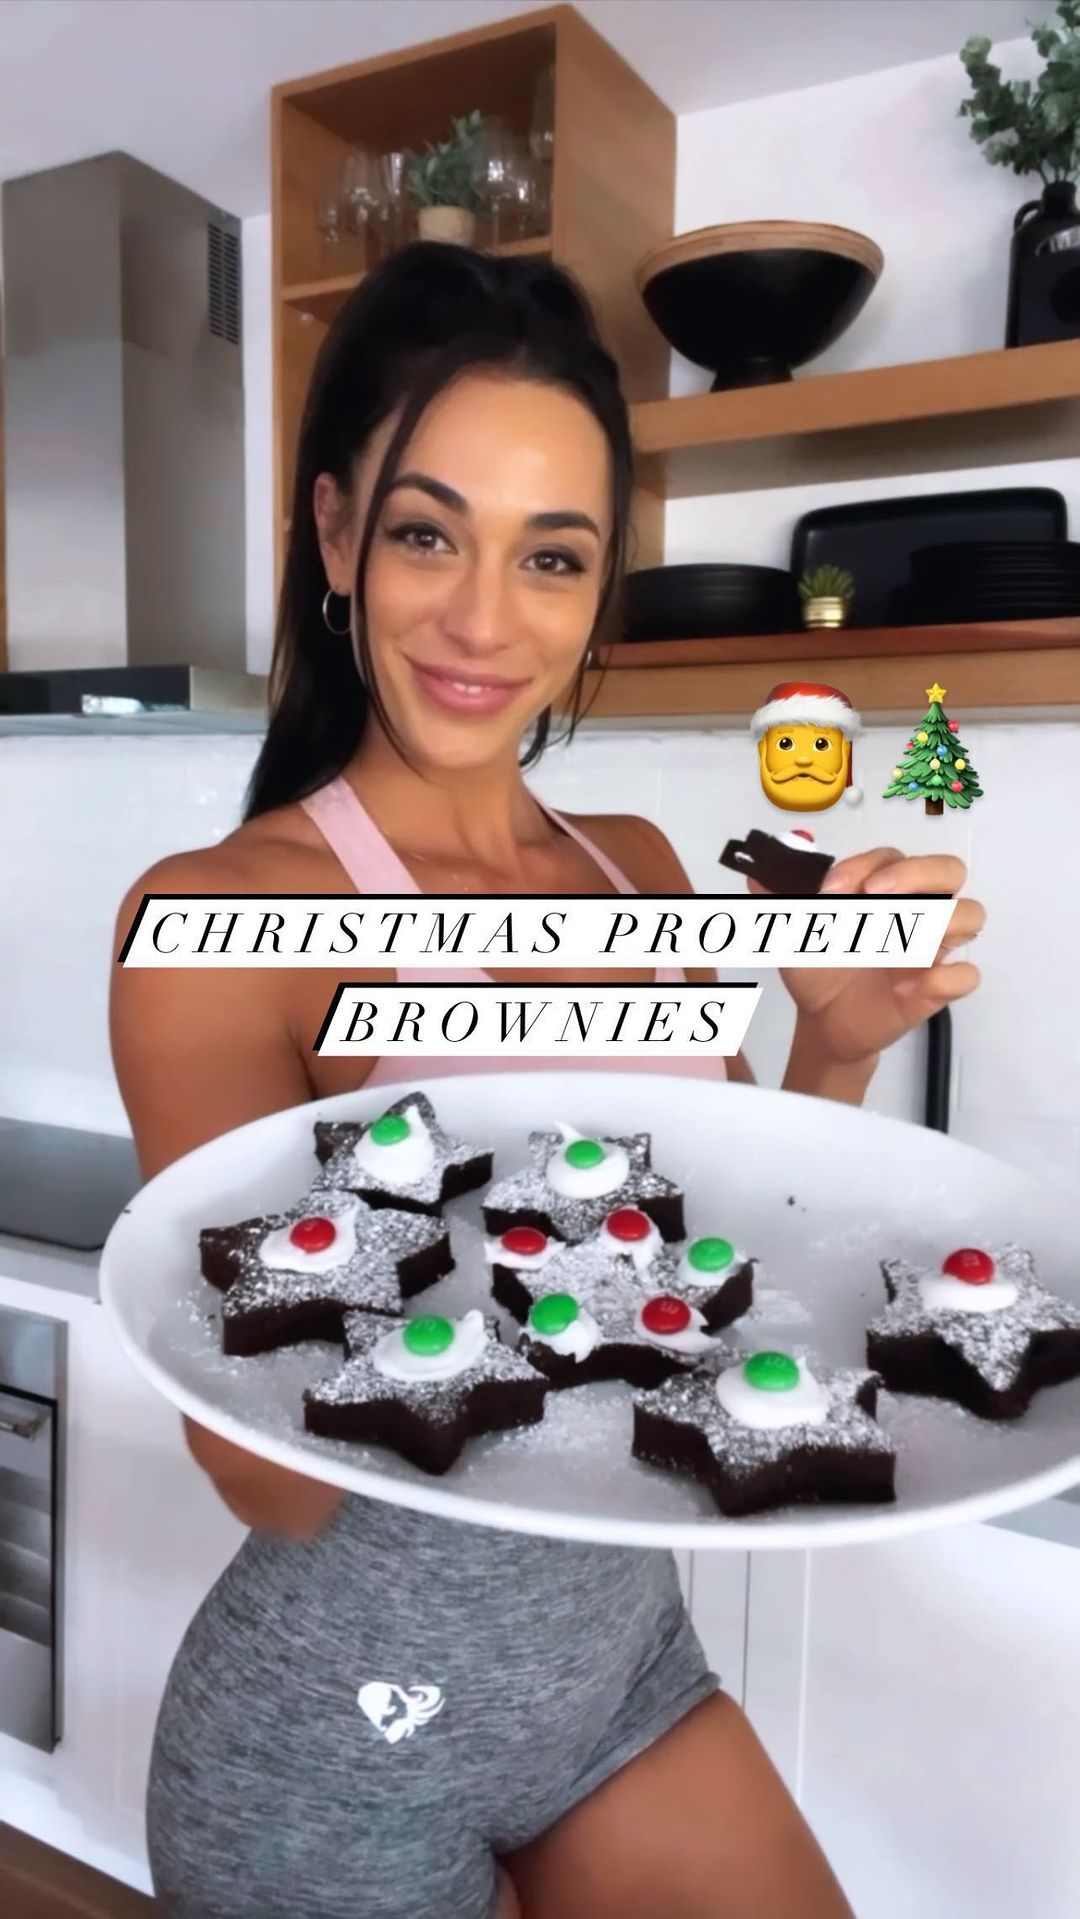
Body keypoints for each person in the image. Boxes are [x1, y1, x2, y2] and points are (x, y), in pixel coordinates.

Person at [110, 244, 984, 1919]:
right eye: (428, 533)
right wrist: (409, 1217)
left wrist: (838, 1038)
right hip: (337, 1748)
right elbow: (265, 1480)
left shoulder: (634, 865)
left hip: (618, 1673)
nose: (485, 620)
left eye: (554, 557)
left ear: (598, 592)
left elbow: (726, 1289)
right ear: (334, 536)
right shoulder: (221, 921)